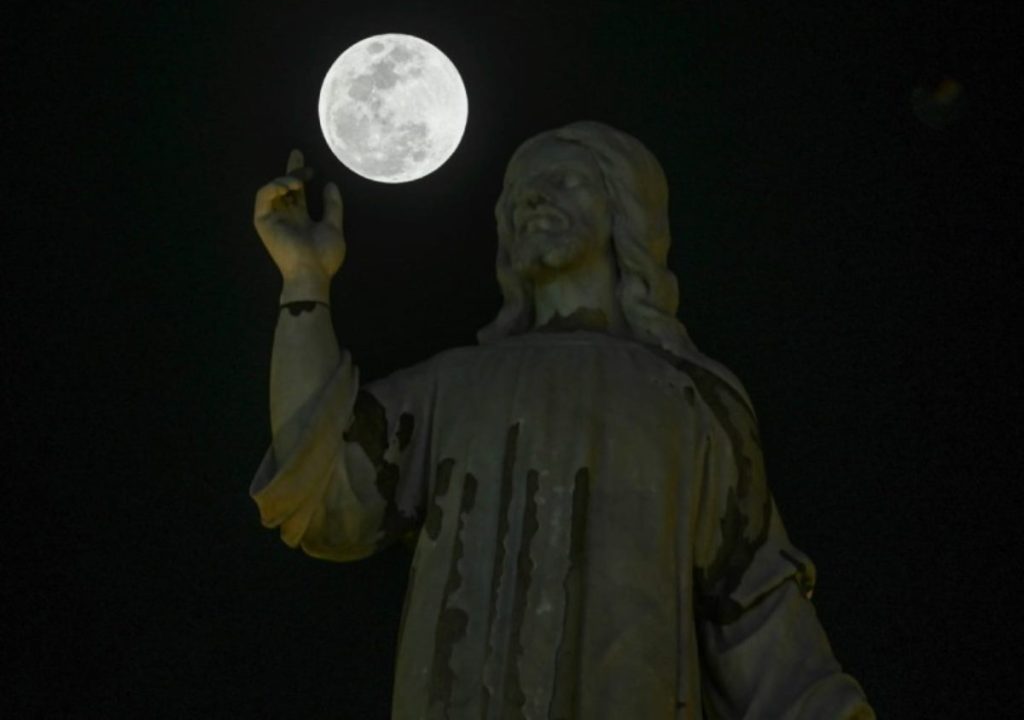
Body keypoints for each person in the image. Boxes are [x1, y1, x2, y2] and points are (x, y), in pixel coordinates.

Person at [251, 122, 875, 719]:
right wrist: (304, 280)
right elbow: (324, 488)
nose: (533, 196)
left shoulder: (689, 399)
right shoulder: (454, 386)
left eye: (566, 180)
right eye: (521, 188)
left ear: (624, 212)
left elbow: (756, 605)